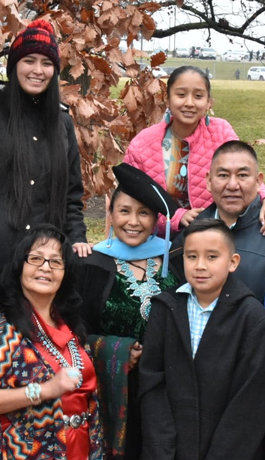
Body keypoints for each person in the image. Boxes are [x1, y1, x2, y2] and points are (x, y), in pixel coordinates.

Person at [0, 19, 90, 286]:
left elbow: (71, 194)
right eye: (29, 61)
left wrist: (78, 237)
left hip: (40, 265)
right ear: (13, 66)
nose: (38, 70)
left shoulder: (62, 124)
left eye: (46, 63)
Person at [0, 225, 103, 460]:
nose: (45, 268)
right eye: (36, 258)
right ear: (20, 267)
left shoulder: (69, 324)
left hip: (80, 450)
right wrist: (45, 390)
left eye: (55, 262)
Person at [140, 219, 265, 460]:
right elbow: (151, 382)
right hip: (168, 449)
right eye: (192, 256)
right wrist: (161, 448)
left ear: (233, 262)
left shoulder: (253, 319)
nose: (200, 266)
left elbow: (249, 403)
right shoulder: (165, 308)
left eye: (212, 257)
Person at [78, 163, 182, 459]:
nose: (133, 221)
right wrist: (118, 350)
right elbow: (76, 332)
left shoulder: (174, 258)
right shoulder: (92, 264)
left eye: (143, 213)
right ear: (110, 215)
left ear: (156, 220)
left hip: (168, 388)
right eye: (124, 211)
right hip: (114, 390)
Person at [124, 65, 265, 237]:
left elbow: (244, 173)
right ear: (167, 99)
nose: (189, 103)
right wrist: (176, 217)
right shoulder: (142, 144)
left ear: (209, 102)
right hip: (161, 244)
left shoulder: (221, 132)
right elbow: (130, 201)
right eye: (181, 95)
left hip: (218, 237)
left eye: (198, 96)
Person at [170, 140, 265, 300]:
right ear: (208, 181)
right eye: (223, 175)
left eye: (242, 175)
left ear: (258, 182)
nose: (232, 185)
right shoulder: (192, 233)